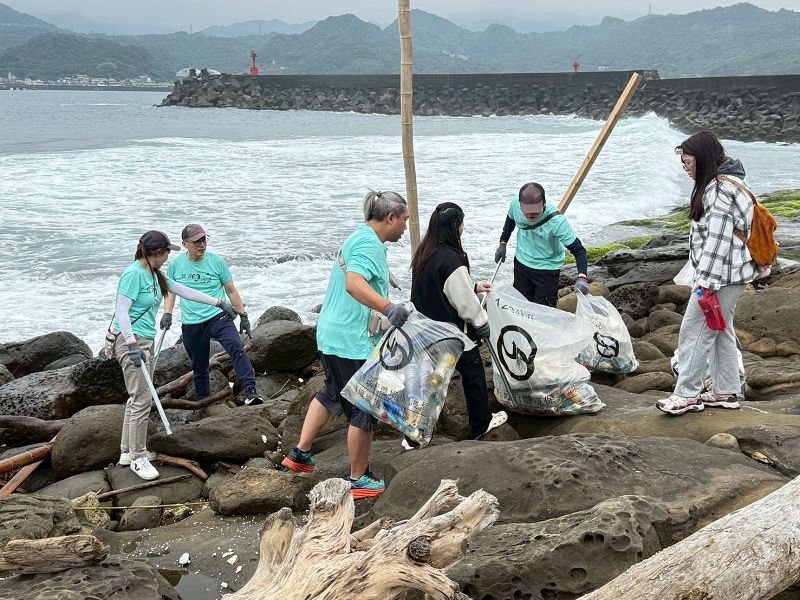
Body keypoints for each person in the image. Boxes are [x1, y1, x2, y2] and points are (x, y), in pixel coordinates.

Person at [281, 191, 410, 499]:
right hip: (351, 340)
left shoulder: (358, 237)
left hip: (331, 334)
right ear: (390, 217)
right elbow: (354, 284)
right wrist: (388, 308)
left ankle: (300, 454)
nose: (406, 227)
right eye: (404, 220)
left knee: (332, 392)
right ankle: (358, 478)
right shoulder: (368, 243)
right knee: (363, 406)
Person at [112, 231, 243, 481]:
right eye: (166, 253)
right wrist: (131, 344)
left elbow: (184, 291)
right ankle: (138, 458)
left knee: (137, 397)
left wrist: (218, 303)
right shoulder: (133, 274)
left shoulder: (154, 274)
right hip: (132, 341)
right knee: (141, 399)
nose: (168, 257)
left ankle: (127, 452)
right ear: (156, 253)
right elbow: (121, 311)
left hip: (144, 339)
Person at [657, 130, 758, 416]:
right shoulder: (733, 180)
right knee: (720, 328)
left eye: (688, 162)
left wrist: (706, 283)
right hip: (732, 272)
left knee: (694, 331)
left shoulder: (720, 189)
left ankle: (687, 394)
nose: (686, 168)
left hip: (721, 275)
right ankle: (726, 391)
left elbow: (718, 239)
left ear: (702, 159)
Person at [410, 202, 508, 440]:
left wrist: (473, 286)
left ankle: (414, 432)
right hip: (453, 337)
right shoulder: (452, 259)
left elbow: (440, 288)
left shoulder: (425, 253)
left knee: (433, 383)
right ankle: (481, 424)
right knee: (474, 375)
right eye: (462, 224)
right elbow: (465, 303)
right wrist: (481, 322)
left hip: (427, 332)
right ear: (455, 226)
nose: (463, 228)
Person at [163, 224, 262, 410]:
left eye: (204, 240)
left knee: (236, 347)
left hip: (218, 315)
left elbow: (230, 290)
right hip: (192, 322)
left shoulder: (216, 262)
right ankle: (204, 406)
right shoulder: (176, 265)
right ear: (185, 244)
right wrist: (167, 313)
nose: (202, 245)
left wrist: (243, 316)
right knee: (199, 367)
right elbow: (170, 292)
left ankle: (251, 391)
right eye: (196, 242)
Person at [494, 182, 589, 306]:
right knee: (521, 305)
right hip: (522, 263)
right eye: (526, 212)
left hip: (547, 269)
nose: (530, 215)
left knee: (544, 309)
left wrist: (582, 277)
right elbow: (510, 221)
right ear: (520, 205)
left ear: (544, 203)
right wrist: (503, 243)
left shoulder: (557, 221)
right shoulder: (515, 205)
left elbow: (579, 251)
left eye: (535, 212)